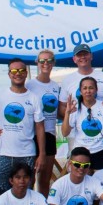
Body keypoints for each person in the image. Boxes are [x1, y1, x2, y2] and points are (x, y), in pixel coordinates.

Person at [0, 58, 45, 204]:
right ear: (9, 74)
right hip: (3, 153)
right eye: (14, 71)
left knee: (26, 194)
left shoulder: (34, 98)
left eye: (21, 70)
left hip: (27, 153)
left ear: (26, 73)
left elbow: (40, 127)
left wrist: (41, 154)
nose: (18, 74)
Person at [26, 49, 60, 197]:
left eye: (49, 60)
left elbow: (59, 112)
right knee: (30, 179)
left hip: (50, 134)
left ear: (53, 63)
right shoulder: (29, 85)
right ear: (37, 63)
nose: (45, 63)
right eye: (42, 61)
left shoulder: (56, 87)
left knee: (45, 180)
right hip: (32, 135)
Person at [62, 77, 103, 171]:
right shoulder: (74, 109)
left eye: (91, 88)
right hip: (80, 152)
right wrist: (67, 113)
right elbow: (64, 133)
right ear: (80, 91)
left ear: (96, 90)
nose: (88, 91)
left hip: (100, 151)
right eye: (85, 88)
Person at [58, 43, 103, 115]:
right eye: (79, 55)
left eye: (85, 54)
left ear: (91, 56)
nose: (83, 57)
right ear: (74, 59)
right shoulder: (67, 80)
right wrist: (69, 112)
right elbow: (62, 107)